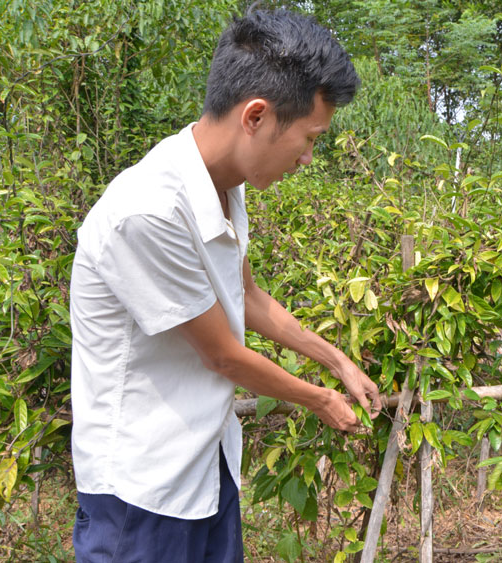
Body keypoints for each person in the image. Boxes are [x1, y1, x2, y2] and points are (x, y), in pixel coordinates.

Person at [68, 9, 380, 562]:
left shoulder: (222, 185)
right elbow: (222, 357)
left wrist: (337, 361)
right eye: (309, 139)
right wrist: (321, 400)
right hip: (142, 492)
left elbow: (249, 297)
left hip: (205, 468)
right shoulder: (148, 210)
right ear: (256, 116)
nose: (308, 158)